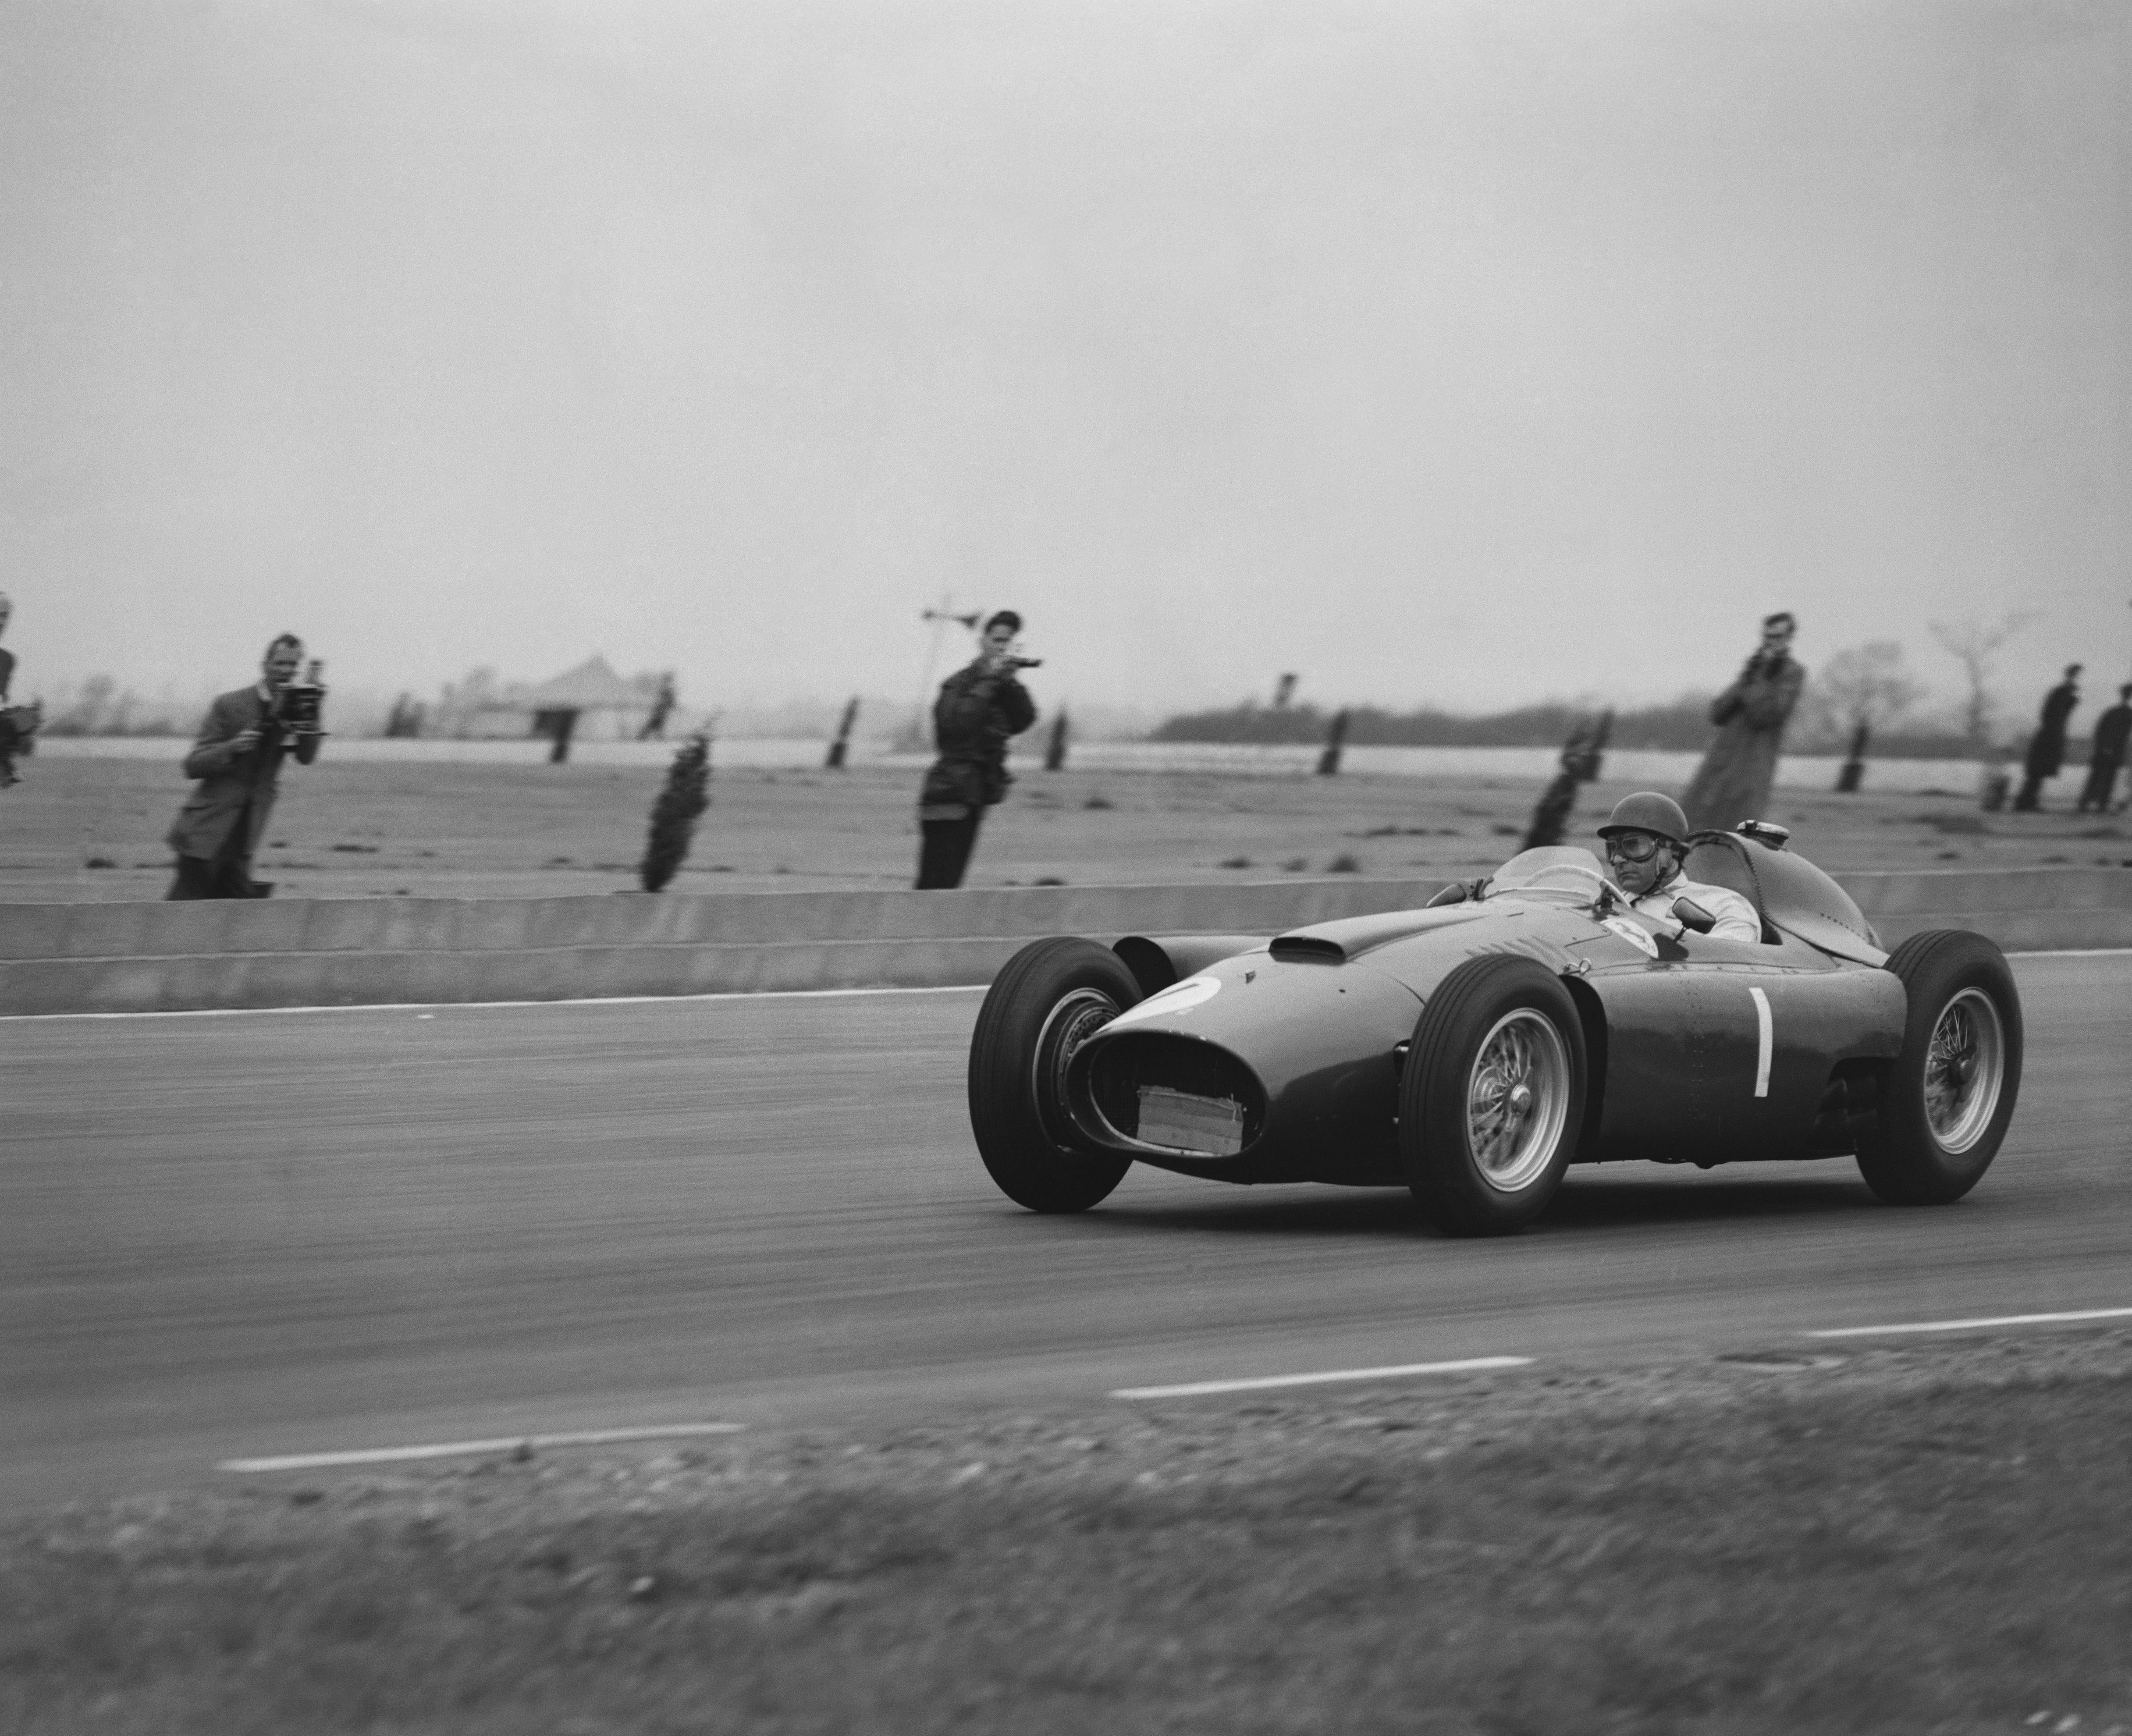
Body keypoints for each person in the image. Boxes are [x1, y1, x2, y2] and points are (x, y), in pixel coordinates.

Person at [164, 634, 324, 899]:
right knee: (182, 917)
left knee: (238, 923)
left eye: (292, 666)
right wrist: (232, 748)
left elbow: (306, 757)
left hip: (245, 839)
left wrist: (312, 710)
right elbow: (192, 766)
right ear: (265, 665)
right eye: (280, 664)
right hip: (204, 835)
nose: (285, 671)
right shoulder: (229, 705)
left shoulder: (295, 708)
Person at [913, 610, 1037, 889]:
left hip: (973, 795)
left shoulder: (997, 688)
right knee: (934, 885)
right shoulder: (959, 683)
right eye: (997, 640)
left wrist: (1010, 682)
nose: (1002, 647)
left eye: (1009, 642)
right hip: (947, 793)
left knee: (951, 885)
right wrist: (991, 679)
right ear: (982, 642)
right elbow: (958, 725)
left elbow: (1024, 719)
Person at [1682, 612, 1805, 834]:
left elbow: (1765, 716)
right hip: (1722, 759)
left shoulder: (1792, 673)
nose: (1771, 642)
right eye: (1768, 636)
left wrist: (1757, 679)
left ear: (1789, 638)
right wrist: (1749, 677)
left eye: (1778, 637)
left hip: (1752, 765)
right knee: (1694, 824)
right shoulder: (1754, 670)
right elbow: (1718, 713)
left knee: (1737, 830)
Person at [1596, 792, 1761, 943]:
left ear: (1673, 851)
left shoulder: (1722, 904)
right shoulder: (1607, 907)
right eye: (1612, 848)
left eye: (1635, 845)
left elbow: (1727, 963)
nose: (1618, 859)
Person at [2013, 664, 2082, 812]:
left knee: (2038, 773)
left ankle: (2027, 802)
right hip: (2049, 738)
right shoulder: (2060, 694)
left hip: (2051, 736)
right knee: (2037, 772)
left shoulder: (2062, 695)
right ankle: (2025, 803)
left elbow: (2051, 714)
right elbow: (2049, 714)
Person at [2078, 683, 2132, 814]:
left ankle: (2091, 803)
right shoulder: (2123, 713)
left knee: (2101, 777)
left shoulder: (2116, 712)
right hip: (2109, 750)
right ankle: (2093, 803)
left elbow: (2100, 730)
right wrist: (2106, 746)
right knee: (2103, 777)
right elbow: (2103, 731)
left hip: (2109, 750)